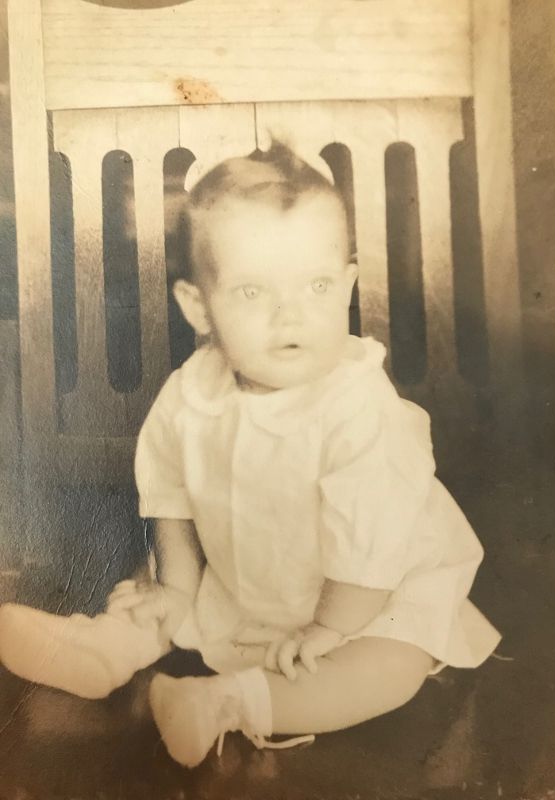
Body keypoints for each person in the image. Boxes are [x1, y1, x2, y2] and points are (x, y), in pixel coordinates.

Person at [0, 143, 500, 768]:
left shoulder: (361, 409)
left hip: (370, 599)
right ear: (198, 306)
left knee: (389, 665)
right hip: (245, 581)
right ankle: (105, 648)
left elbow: (371, 551)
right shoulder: (191, 394)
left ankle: (230, 702)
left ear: (347, 286)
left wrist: (330, 630)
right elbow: (173, 503)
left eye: (317, 285)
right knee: (158, 593)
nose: (291, 315)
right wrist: (176, 590)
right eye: (253, 291)